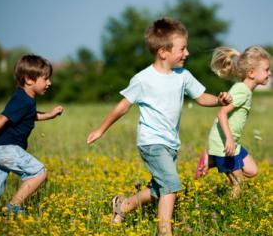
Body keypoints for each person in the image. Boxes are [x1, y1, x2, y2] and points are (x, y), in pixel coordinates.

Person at [87, 17, 232, 236]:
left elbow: (201, 97)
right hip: (151, 142)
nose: (187, 53)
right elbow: (122, 107)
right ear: (163, 52)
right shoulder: (143, 79)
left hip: (171, 144)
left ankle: (123, 205)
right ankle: (164, 231)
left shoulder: (183, 76)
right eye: (182, 49)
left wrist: (218, 100)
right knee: (172, 185)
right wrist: (100, 129)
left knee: (159, 190)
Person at [0, 54, 64, 217]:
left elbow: (29, 115)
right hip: (6, 148)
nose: (49, 83)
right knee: (39, 172)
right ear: (29, 79)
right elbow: (1, 119)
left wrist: (49, 115)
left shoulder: (25, 99)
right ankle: (13, 207)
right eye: (46, 79)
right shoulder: (22, 100)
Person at [195, 46, 271, 197]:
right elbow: (222, 112)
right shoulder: (241, 91)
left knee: (252, 170)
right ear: (251, 73)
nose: (269, 73)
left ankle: (210, 160)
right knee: (238, 184)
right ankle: (230, 214)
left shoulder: (246, 91)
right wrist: (229, 139)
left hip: (232, 142)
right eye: (266, 69)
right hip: (225, 143)